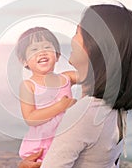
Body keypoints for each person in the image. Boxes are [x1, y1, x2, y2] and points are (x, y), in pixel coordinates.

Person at [18, 4, 132, 168]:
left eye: (77, 33)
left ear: (94, 46)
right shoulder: (113, 107)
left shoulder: (83, 115)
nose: (72, 39)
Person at [16, 27, 77, 162]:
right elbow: (30, 118)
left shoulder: (67, 78)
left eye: (47, 48)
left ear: (58, 55)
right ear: (24, 61)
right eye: (34, 50)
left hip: (66, 141)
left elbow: (91, 76)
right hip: (41, 146)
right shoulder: (28, 85)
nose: (42, 52)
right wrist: (60, 106)